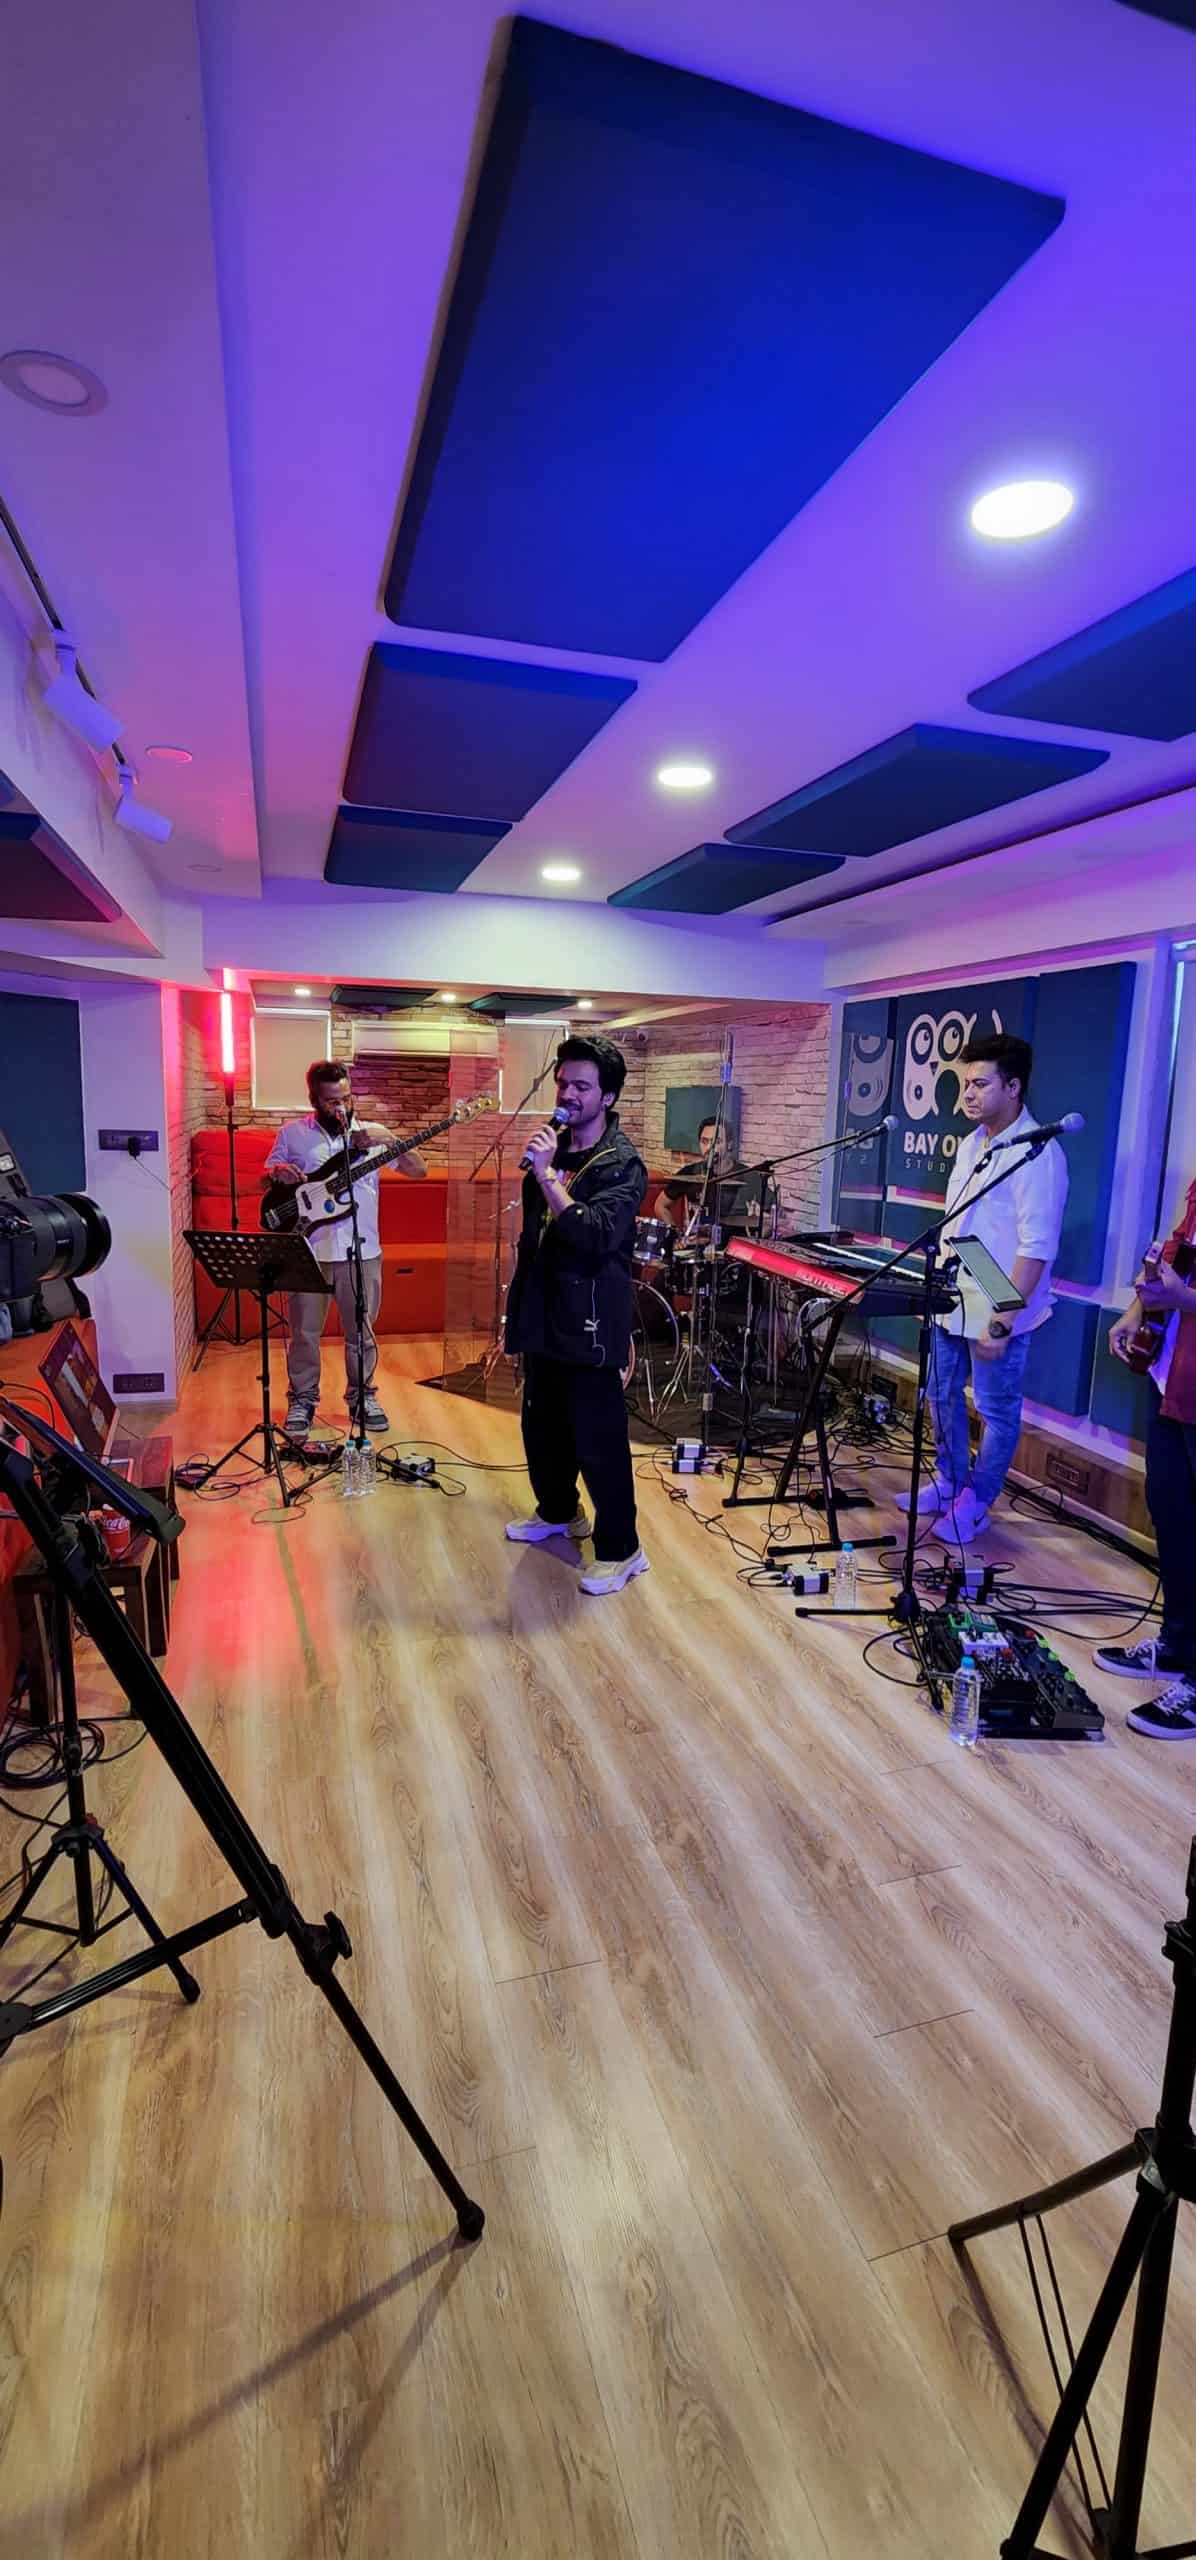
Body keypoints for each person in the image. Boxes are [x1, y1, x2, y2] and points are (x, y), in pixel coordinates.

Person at [897, 1031, 1068, 1545]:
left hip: (999, 1296)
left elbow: (1037, 1247)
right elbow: (958, 1224)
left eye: (980, 1084)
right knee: (940, 1392)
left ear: (1013, 1087)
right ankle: (950, 1480)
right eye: (965, 1083)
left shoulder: (1039, 1154)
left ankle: (977, 1501)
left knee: (995, 1408)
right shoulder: (973, 1144)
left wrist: (1004, 1317)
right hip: (954, 1289)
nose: (968, 1094)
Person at [504, 1034, 649, 1596]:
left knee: (598, 1438)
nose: (567, 1094)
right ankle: (561, 1511)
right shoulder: (556, 1148)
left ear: (607, 1096)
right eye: (563, 1083)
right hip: (543, 1307)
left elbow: (596, 1234)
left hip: (589, 1315)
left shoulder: (622, 1163)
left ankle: (622, 1548)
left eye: (581, 1086)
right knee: (541, 1424)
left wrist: (546, 1177)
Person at [263, 1059, 425, 1440]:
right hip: (309, 1250)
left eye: (346, 1098)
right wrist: (277, 1174)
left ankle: (362, 1396)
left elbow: (419, 1170)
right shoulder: (293, 1134)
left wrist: (389, 1139)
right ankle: (303, 1399)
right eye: (331, 1101)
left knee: (361, 1332)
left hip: (362, 1250)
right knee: (304, 1333)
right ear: (314, 1099)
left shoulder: (371, 1135)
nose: (341, 1107)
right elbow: (265, 1178)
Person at [1096, 1171, 1196, 1739]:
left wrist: (1184, 1299)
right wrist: (1140, 1306)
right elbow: (1180, 1251)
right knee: (1173, 1518)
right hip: (1175, 1379)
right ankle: (1180, 1645)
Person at [654, 1115, 747, 1226]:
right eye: (704, 1141)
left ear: (729, 1144)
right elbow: (660, 1205)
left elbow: (765, 1215)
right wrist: (674, 1232)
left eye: (717, 1142)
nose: (709, 1147)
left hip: (732, 1237)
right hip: (696, 1236)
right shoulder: (690, 1172)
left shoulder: (747, 1175)